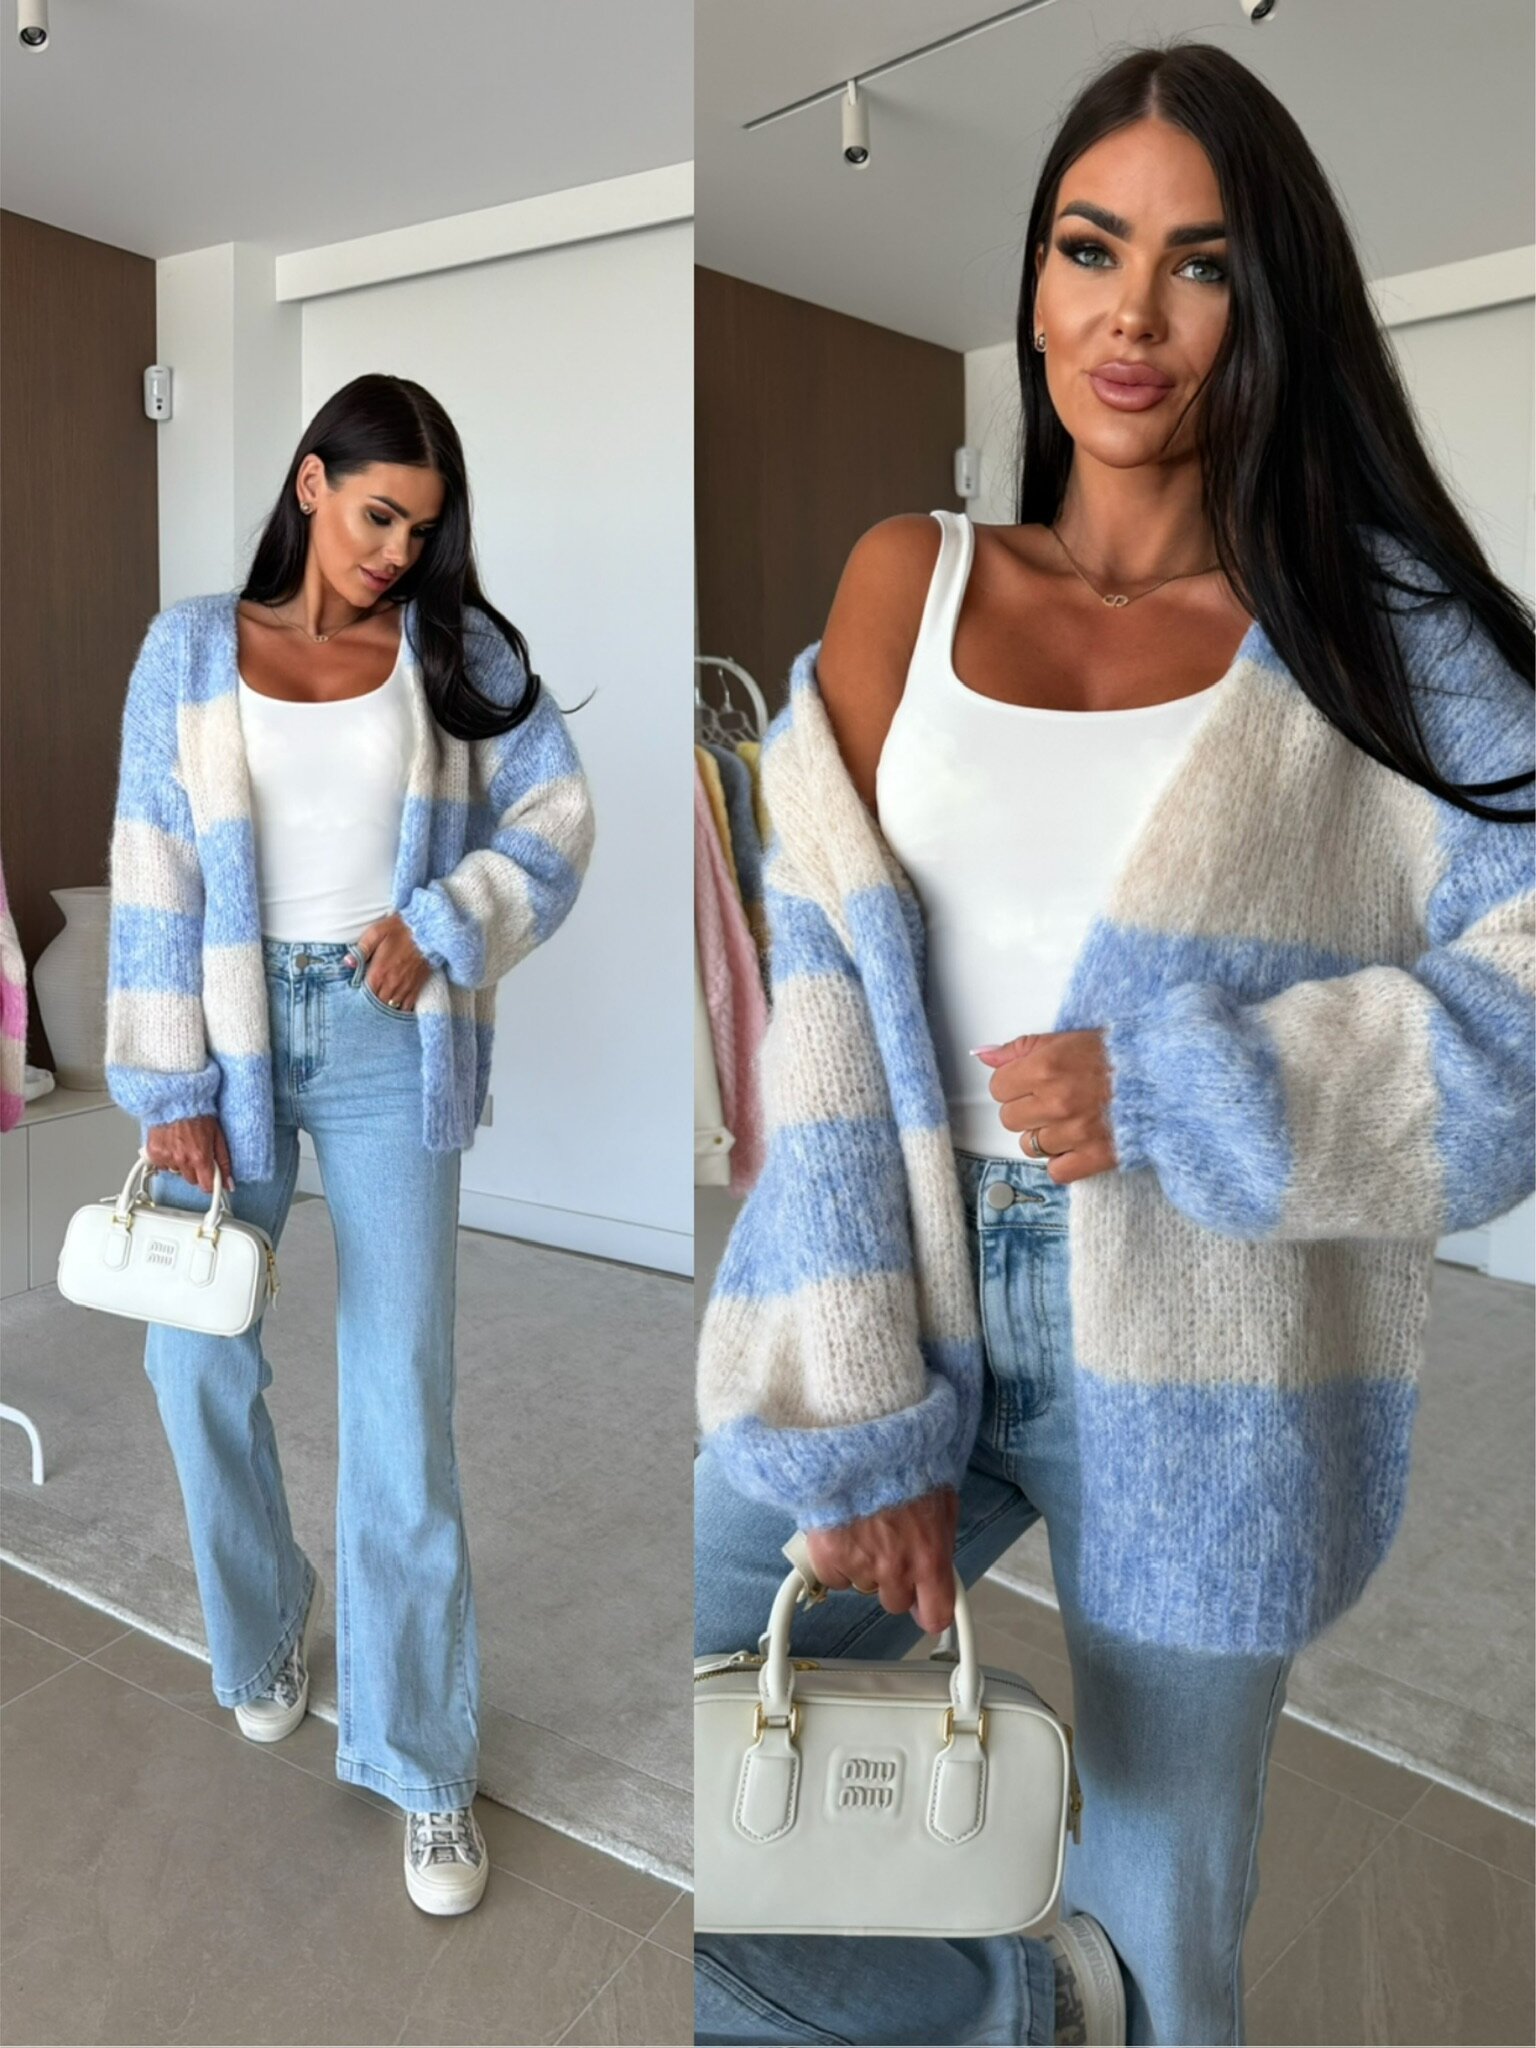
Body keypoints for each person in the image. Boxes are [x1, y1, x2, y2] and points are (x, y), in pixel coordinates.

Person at [693, 39, 1533, 2048]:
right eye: (1090, 248)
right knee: (701, 1778)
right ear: (1035, 275)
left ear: (1271, 305)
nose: (1130, 315)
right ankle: (1022, 2008)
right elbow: (824, 1003)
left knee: (1172, 1901)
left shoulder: (1377, 632)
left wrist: (1186, 1084)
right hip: (894, 1278)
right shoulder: (911, 577)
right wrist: (867, 1415)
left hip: (1213, 1327)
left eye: (1200, 263)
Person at [103, 372, 596, 1915]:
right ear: (312, 482)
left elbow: (558, 821)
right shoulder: (192, 649)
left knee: (399, 1400)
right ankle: (262, 1630)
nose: (397, 553)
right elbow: (155, 867)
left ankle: (423, 1763)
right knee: (192, 1359)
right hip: (230, 1033)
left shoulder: (459, 652)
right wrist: (169, 1086)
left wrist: (443, 922)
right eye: (379, 515)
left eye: (423, 530)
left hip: (391, 1042)